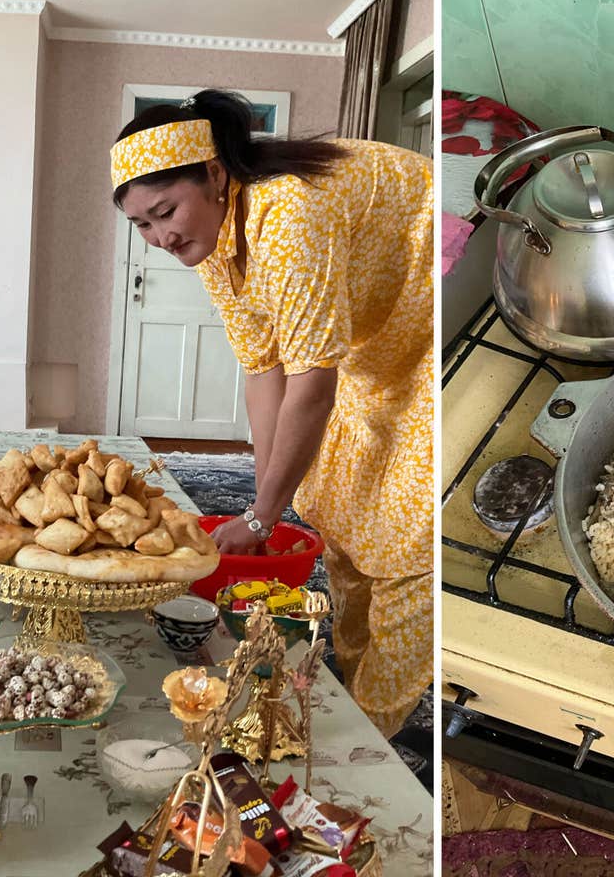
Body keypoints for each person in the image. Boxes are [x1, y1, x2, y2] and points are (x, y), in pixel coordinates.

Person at [109, 90, 433, 738]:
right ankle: (352, 670)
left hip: (429, 318)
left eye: (165, 211)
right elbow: (265, 370)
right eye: (142, 225)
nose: (160, 237)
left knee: (407, 542)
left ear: (216, 175)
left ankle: (374, 729)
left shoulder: (287, 217)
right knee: (335, 502)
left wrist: (262, 514)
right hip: (370, 341)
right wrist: (265, 501)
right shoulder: (215, 243)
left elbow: (311, 383)